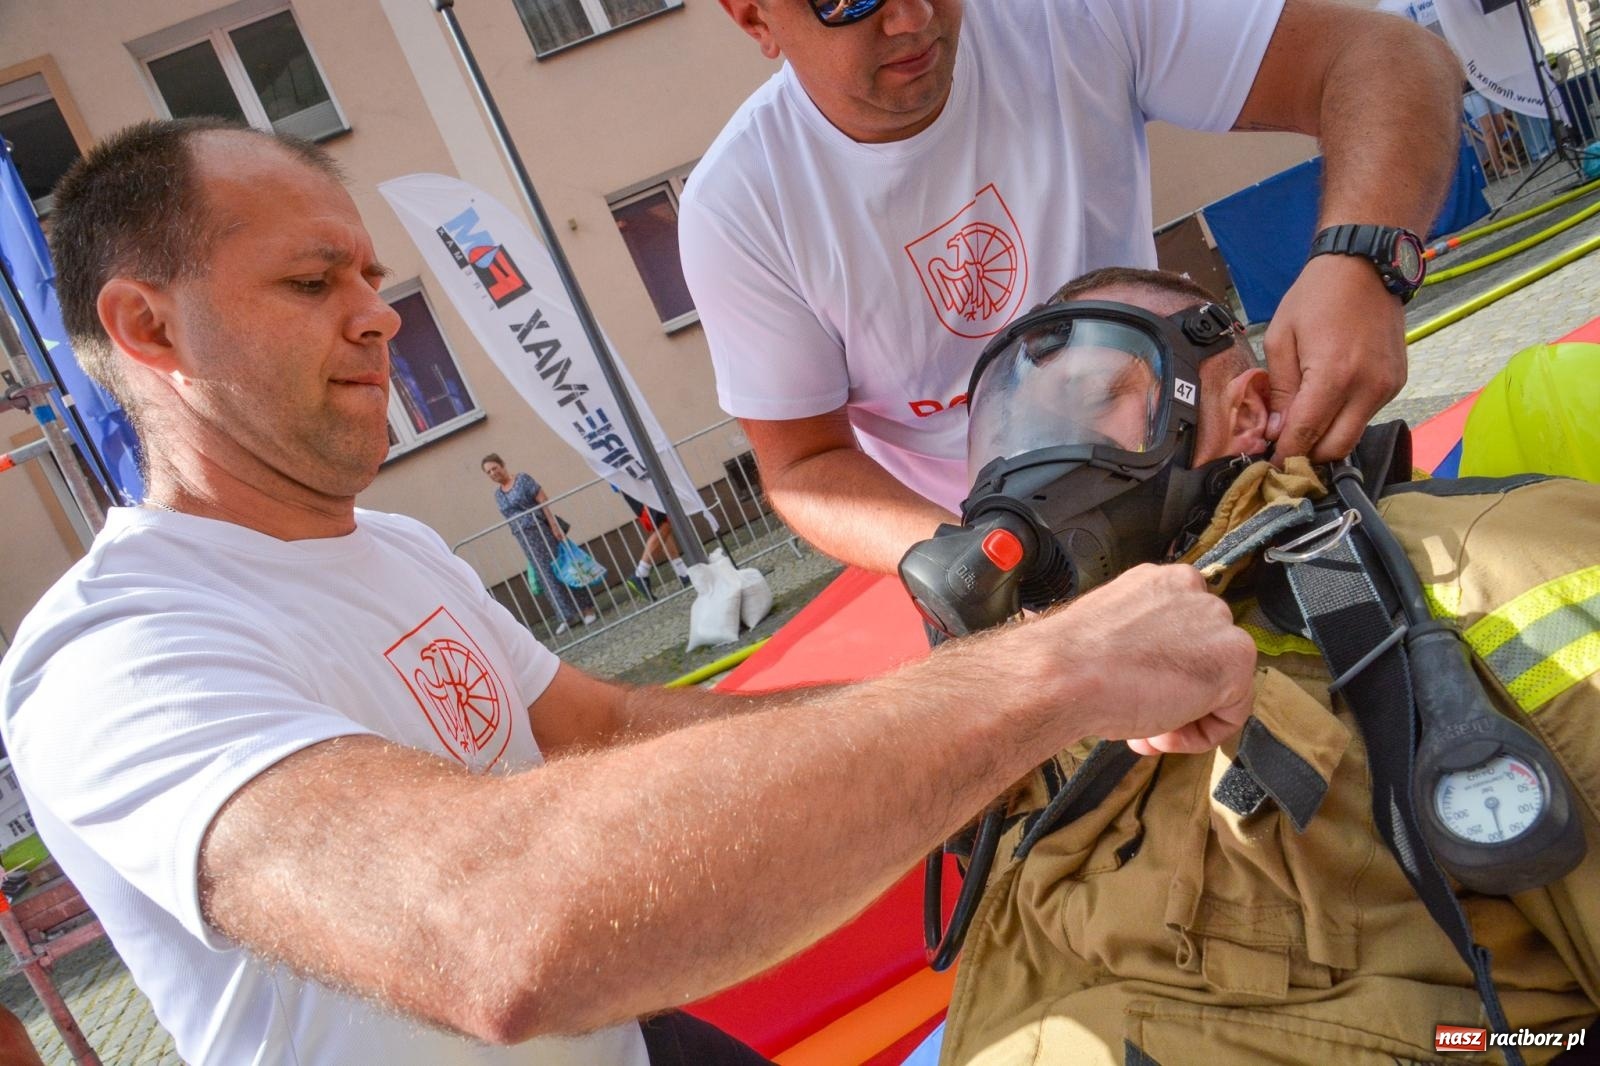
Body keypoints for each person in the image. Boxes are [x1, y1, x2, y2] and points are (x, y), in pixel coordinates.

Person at [0, 120, 1260, 1066]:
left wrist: (975, 724)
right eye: (310, 282)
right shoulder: (112, 656)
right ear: (148, 329)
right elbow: (490, 934)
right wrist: (1045, 675)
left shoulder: (390, 549)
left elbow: (603, 729)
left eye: (369, 278)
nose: (377, 317)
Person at [934, 266, 1600, 1064]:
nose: (1040, 461)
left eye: (1088, 406)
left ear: (1245, 411)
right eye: (1015, 434)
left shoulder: (1461, 570)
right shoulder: (1044, 683)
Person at [679, 0, 1465, 575]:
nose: (913, 17)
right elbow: (805, 463)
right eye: (849, 1)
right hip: (1001, 552)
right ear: (753, 19)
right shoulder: (742, 206)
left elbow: (1389, 57)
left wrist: (1363, 261)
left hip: (1196, 471)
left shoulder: (1066, 13)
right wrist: (969, 565)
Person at [482, 453, 597, 633]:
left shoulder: (522, 479)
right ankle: (566, 615)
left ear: (502, 465)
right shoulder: (498, 494)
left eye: (494, 468)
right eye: (488, 472)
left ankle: (586, 608)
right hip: (525, 538)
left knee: (564, 567)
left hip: (542, 530)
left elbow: (542, 499)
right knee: (545, 576)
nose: (493, 473)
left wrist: (553, 525)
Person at [618, 489, 691, 598]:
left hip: (635, 485)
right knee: (665, 523)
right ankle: (641, 573)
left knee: (662, 525)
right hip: (635, 486)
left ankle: (682, 573)